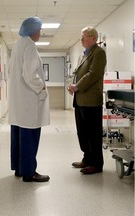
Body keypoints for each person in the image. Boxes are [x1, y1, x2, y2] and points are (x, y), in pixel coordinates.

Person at [8, 17, 50, 182]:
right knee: (29, 136)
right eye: (40, 30)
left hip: (19, 102)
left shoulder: (18, 45)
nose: (41, 33)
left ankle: (20, 168)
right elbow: (30, 74)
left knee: (18, 135)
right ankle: (29, 172)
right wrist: (41, 87)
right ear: (34, 31)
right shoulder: (30, 46)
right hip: (29, 100)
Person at [67, 26, 107, 175]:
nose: (81, 39)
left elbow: (93, 74)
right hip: (80, 100)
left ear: (93, 38)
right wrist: (72, 85)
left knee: (93, 133)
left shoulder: (99, 53)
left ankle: (96, 164)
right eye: (81, 36)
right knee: (83, 133)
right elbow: (78, 73)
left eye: (84, 36)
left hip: (91, 101)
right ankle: (87, 158)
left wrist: (77, 86)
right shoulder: (83, 55)